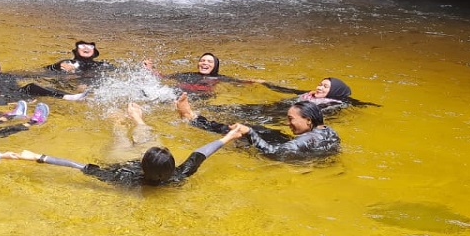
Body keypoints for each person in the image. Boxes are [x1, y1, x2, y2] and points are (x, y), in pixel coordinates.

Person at [17, 102, 245, 186]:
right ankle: (137, 118)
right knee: (143, 136)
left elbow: (77, 166)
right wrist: (227, 137)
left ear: (144, 161)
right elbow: (201, 153)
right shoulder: (179, 175)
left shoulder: (124, 177)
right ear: (171, 165)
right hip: (125, 161)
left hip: (122, 160)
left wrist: (40, 157)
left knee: (121, 137)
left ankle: (120, 120)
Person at [176, 94, 340, 161]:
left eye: (291, 119)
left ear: (309, 120)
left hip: (287, 156)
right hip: (299, 155)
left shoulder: (306, 139)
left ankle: (192, 117)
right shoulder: (328, 131)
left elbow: (274, 154)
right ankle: (194, 118)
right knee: (261, 130)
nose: (288, 123)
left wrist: (249, 132)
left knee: (242, 132)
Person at [144, 52, 295, 96]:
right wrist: (150, 69)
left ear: (215, 66)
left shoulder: (219, 78)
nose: (204, 63)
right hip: (175, 93)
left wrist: (256, 81)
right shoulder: (187, 74)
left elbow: (239, 82)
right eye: (202, 61)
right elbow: (163, 77)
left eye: (209, 62)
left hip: (198, 97)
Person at [45, 40, 109, 74]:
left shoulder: (101, 65)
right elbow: (46, 69)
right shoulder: (68, 63)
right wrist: (59, 65)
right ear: (75, 51)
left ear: (94, 53)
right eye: (82, 45)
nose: (86, 47)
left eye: (90, 46)